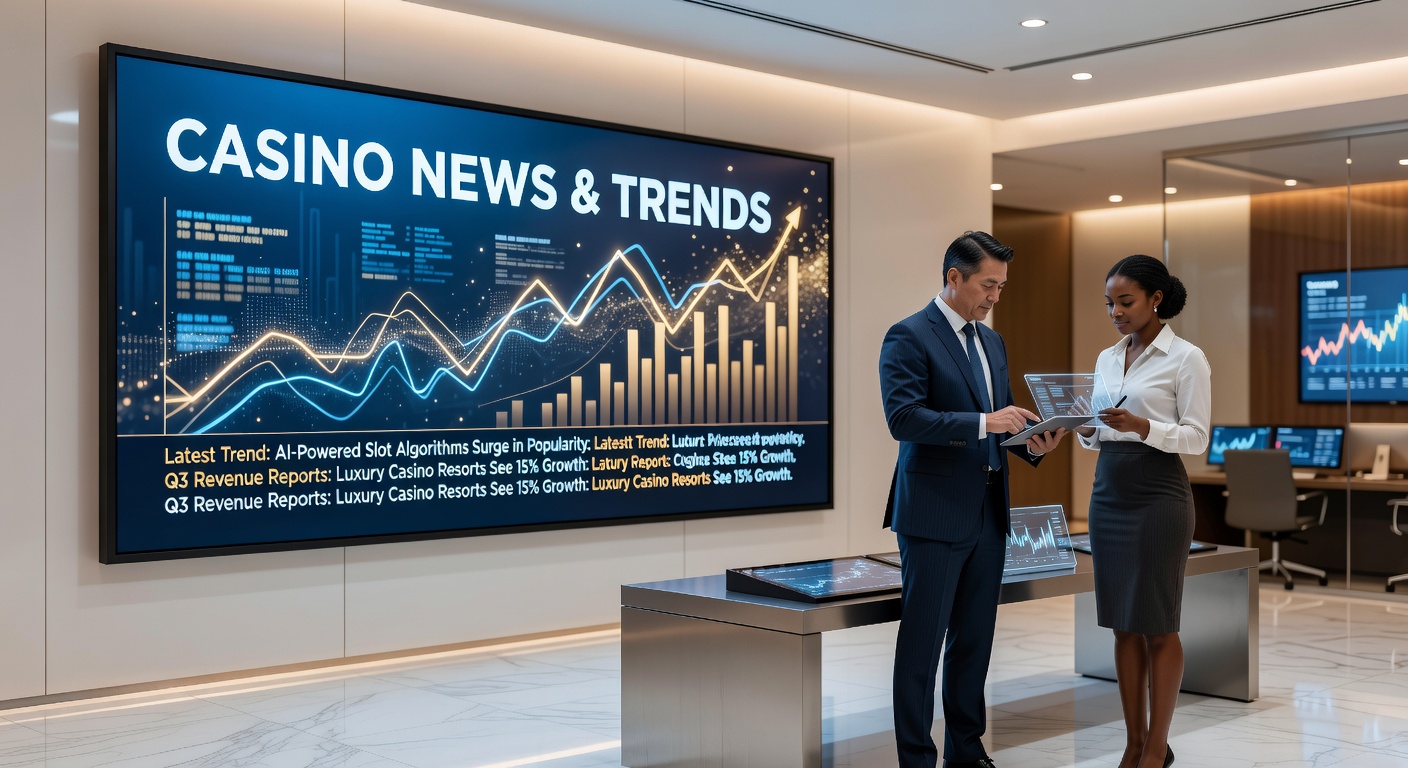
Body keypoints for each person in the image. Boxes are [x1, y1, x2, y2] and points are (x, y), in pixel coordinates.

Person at [879, 231, 1067, 768]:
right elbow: (904, 419)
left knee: (974, 644)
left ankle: (967, 749)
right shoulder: (909, 336)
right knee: (922, 647)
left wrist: (1032, 441)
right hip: (934, 515)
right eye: (988, 285)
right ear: (954, 278)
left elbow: (1000, 417)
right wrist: (985, 421)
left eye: (1002, 287)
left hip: (989, 510)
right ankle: (916, 758)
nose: (995, 297)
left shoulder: (992, 342)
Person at [1075, 255, 1211, 768]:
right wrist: (1087, 430)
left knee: (1158, 623)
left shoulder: (1186, 358)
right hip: (1108, 492)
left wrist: (1142, 427)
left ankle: (1157, 747)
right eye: (1109, 302)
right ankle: (1133, 742)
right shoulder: (1107, 358)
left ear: (1156, 299)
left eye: (1125, 302)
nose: (1115, 311)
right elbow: (1098, 432)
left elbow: (1198, 438)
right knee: (1121, 624)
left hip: (1159, 496)